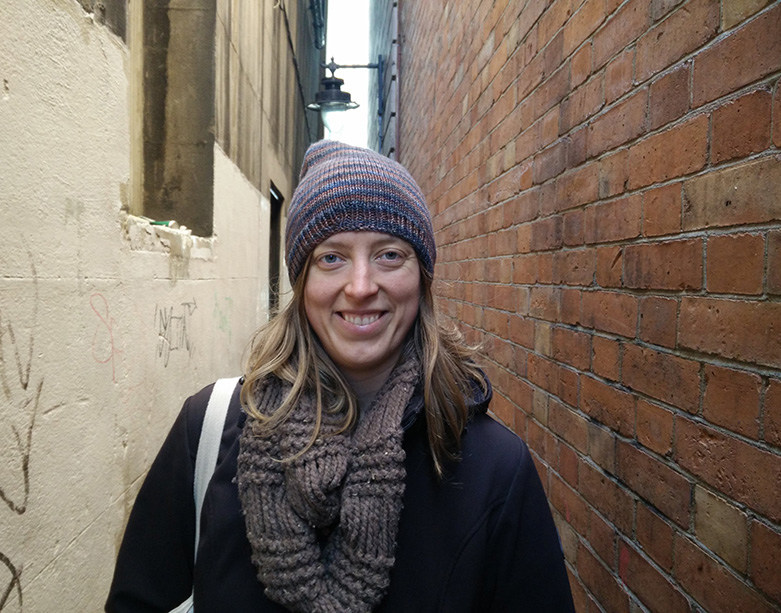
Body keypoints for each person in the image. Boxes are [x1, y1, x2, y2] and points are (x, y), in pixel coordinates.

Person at [106, 140, 575, 612]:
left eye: (390, 255)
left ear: (422, 277)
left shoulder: (493, 468)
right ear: (302, 281)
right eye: (332, 257)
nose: (361, 286)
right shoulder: (207, 432)